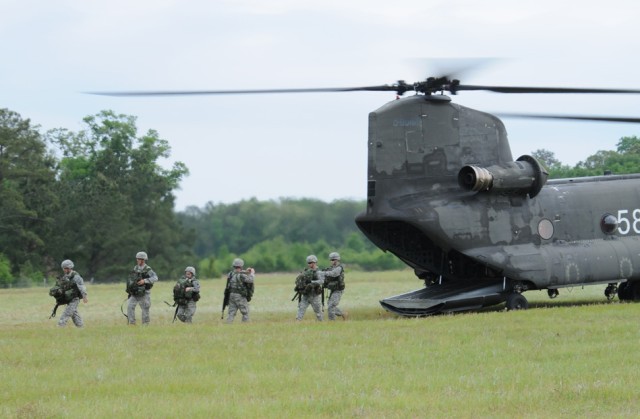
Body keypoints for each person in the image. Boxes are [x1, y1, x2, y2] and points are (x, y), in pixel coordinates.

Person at [53, 259, 88, 327]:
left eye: (66, 268)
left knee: (66, 313)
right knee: (74, 314)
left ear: (70, 268)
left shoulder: (76, 276)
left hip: (75, 299)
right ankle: (81, 327)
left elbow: (81, 286)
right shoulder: (65, 276)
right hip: (68, 299)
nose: (64, 270)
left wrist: (84, 296)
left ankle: (60, 326)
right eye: (64, 268)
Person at [126, 251, 158, 325]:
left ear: (143, 260)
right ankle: (132, 323)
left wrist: (145, 281)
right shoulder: (135, 268)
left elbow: (155, 278)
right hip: (135, 292)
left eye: (140, 259)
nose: (138, 260)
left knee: (145, 308)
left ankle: (145, 324)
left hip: (144, 292)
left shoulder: (148, 269)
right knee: (130, 306)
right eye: (137, 259)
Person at [294, 255, 324, 321]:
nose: (310, 264)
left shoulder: (318, 272)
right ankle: (297, 321)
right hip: (306, 294)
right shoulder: (306, 272)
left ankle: (322, 323)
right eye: (309, 263)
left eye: (311, 262)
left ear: (315, 262)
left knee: (318, 313)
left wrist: (311, 282)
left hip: (315, 295)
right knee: (301, 309)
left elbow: (321, 281)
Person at [225, 258, 255, 323]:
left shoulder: (230, 274)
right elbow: (250, 280)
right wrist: (252, 273)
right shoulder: (241, 275)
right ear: (241, 266)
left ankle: (228, 325)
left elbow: (238, 272)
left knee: (231, 312)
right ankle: (245, 325)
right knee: (245, 312)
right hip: (239, 296)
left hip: (231, 295)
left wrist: (246, 271)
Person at [323, 252, 347, 320]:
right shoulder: (330, 268)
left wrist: (323, 273)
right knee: (330, 305)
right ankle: (343, 314)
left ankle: (332, 322)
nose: (332, 261)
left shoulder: (339, 268)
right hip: (333, 289)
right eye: (331, 260)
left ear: (338, 260)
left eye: (334, 260)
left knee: (331, 306)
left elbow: (334, 274)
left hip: (338, 290)